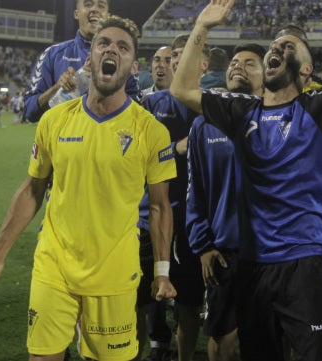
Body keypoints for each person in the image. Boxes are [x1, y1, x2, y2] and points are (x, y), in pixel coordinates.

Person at [171, 0, 322, 360]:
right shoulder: (241, 111)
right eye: (274, 46)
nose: (277, 48)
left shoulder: (320, 108)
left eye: (288, 47)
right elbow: (182, 90)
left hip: (307, 262)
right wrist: (201, 28)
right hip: (253, 266)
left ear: (307, 67)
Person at [0, 16, 177, 361]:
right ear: (89, 58)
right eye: (103, 43)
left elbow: (159, 207)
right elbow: (32, 189)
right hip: (55, 267)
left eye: (122, 47)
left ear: (132, 66)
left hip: (114, 274)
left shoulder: (151, 131)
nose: (112, 49)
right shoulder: (55, 120)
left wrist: (161, 272)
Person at [186, 42, 266, 361]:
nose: (237, 67)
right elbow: (196, 192)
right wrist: (203, 245)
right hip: (224, 251)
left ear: (266, 73)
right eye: (234, 62)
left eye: (249, 63)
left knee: (271, 334)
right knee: (221, 337)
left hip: (273, 250)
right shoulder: (204, 124)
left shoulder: (284, 117)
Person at [140, 34, 207, 361]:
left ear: (202, 63)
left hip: (195, 222)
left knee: (189, 303)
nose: (177, 61)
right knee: (140, 298)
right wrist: (176, 148)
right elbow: (135, 151)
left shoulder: (215, 104)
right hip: (152, 216)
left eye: (184, 55)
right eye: (174, 56)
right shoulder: (154, 103)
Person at [22, 0, 138, 123]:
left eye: (101, 5)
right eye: (88, 4)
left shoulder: (124, 58)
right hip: (65, 139)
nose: (95, 9)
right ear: (76, 13)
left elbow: (136, 110)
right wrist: (58, 88)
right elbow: (29, 111)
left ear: (107, 15)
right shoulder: (52, 55)